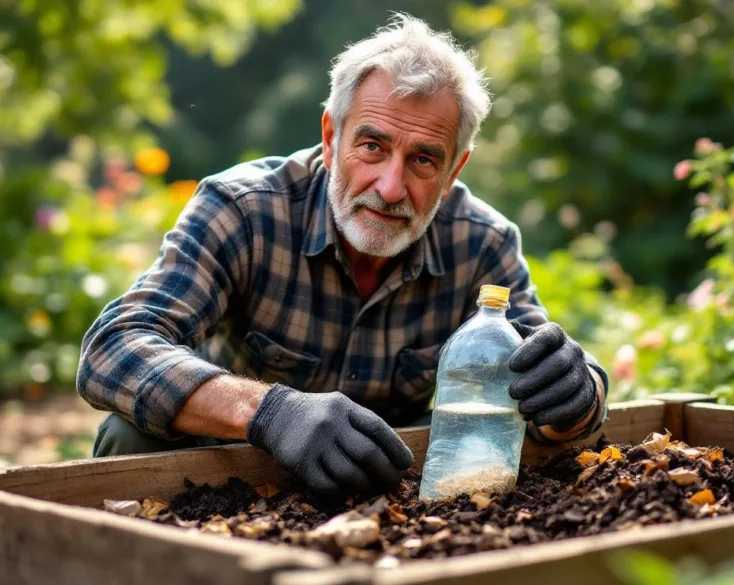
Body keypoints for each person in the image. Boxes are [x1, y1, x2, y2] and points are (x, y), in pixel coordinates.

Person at [76, 14, 609, 497]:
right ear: (331, 138)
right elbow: (113, 348)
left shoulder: (482, 243)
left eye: (424, 160)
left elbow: (552, 399)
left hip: (393, 491)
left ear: (453, 173)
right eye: (372, 146)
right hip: (238, 474)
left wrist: (576, 395)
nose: (392, 186)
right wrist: (270, 412)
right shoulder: (244, 210)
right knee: (129, 434)